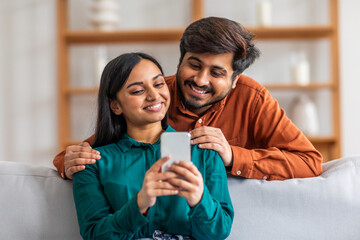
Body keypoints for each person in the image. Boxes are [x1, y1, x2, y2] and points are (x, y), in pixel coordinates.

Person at [54, 17, 322, 181]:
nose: (201, 80)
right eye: (194, 64)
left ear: (235, 79)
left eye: (216, 72)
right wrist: (67, 163)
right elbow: (79, 153)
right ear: (181, 60)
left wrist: (233, 157)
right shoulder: (156, 98)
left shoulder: (252, 98)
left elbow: (310, 162)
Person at [73, 52, 234, 239]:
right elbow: (94, 235)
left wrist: (200, 199)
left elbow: (220, 232)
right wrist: (139, 204)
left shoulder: (204, 151)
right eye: (137, 91)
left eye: (159, 84)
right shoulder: (93, 163)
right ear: (115, 105)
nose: (153, 95)